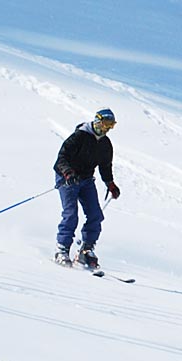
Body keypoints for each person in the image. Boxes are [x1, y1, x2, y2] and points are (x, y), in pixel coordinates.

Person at [53, 108, 120, 269]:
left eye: (111, 125)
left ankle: (86, 250)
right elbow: (61, 158)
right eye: (105, 124)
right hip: (68, 178)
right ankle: (62, 249)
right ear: (97, 121)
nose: (107, 129)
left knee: (95, 215)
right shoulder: (79, 137)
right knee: (71, 214)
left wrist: (110, 183)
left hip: (86, 180)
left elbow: (105, 166)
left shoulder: (105, 144)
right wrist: (68, 173)